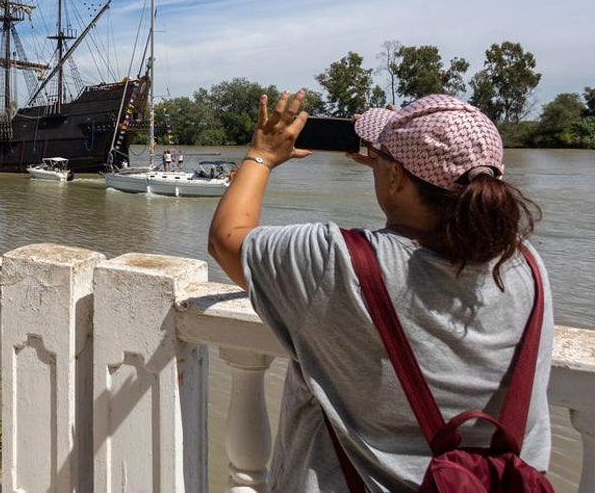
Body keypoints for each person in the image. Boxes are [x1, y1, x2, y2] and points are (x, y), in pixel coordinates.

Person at [207, 91, 551, 490]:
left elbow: (226, 239)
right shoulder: (526, 265)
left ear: (396, 177)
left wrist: (261, 155)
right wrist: (392, 166)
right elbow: (421, 236)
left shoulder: (335, 262)